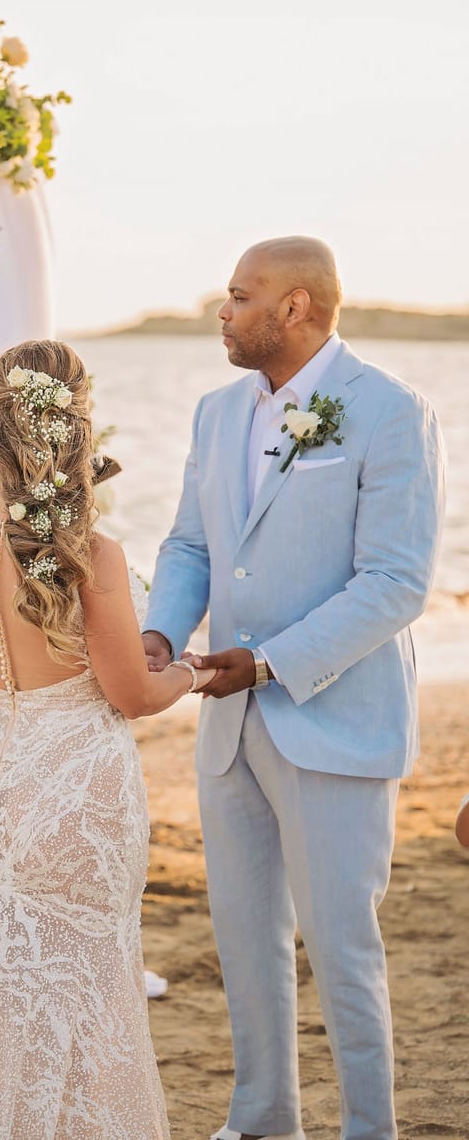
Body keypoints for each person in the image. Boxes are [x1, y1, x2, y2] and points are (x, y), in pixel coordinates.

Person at [0, 339, 210, 1140]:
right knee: (85, 994)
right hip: (74, 794)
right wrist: (190, 673)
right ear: (77, 425)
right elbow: (132, 693)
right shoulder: (91, 553)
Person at [142, 237, 445, 1140]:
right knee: (244, 942)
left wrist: (271, 662)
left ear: (295, 308)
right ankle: (263, 1118)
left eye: (240, 297)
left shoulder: (390, 410)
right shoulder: (214, 413)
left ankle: (368, 1129)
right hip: (229, 724)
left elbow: (396, 582)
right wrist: (161, 632)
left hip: (335, 721)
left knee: (343, 950)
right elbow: (190, 545)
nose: (223, 312)